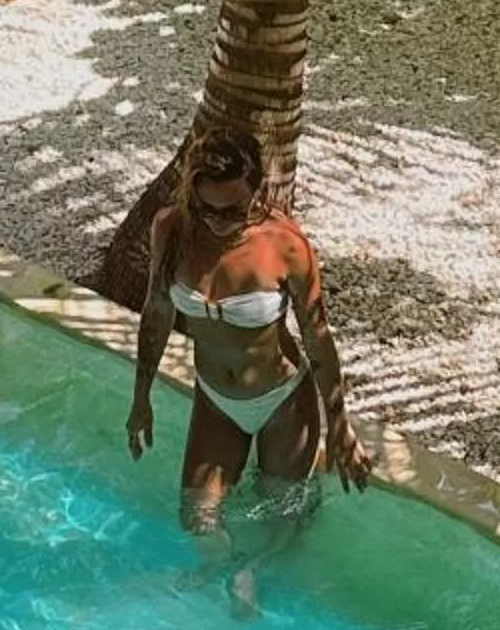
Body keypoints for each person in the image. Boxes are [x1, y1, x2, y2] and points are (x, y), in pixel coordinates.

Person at [126, 125, 373, 530]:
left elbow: (317, 336)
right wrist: (141, 398)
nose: (220, 223)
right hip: (215, 401)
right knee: (197, 521)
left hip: (283, 402)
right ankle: (227, 587)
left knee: (280, 526)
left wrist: (340, 425)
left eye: (234, 210)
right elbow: (156, 314)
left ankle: (249, 588)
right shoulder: (172, 230)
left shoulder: (286, 244)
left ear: (256, 190)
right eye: (208, 210)